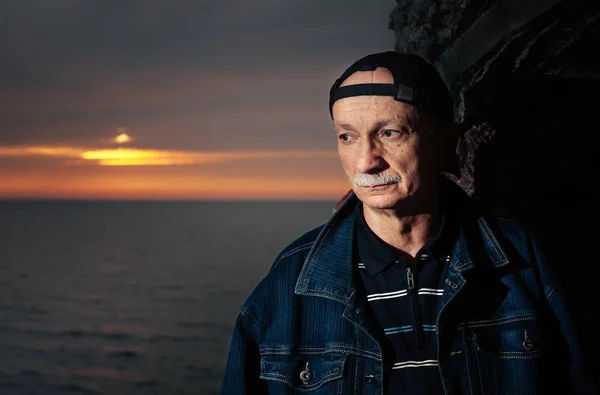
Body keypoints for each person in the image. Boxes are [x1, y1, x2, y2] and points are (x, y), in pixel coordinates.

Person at [220, 51, 595, 394]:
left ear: (446, 142)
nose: (366, 161)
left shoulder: (522, 261)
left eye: (390, 133)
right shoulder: (290, 284)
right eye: (347, 136)